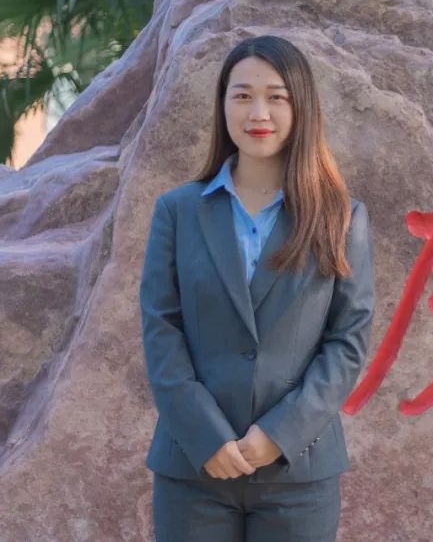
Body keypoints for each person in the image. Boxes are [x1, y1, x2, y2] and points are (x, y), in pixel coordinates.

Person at [139, 35, 376, 541]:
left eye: (276, 97)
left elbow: (347, 341)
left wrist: (279, 434)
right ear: (222, 104)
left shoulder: (340, 217)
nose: (258, 113)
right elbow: (162, 330)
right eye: (242, 95)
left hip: (299, 471)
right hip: (193, 468)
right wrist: (204, 435)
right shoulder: (178, 212)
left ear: (301, 107)